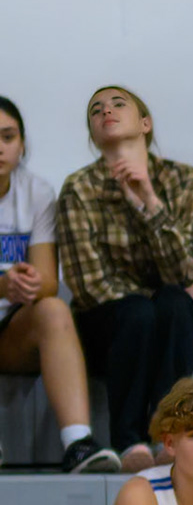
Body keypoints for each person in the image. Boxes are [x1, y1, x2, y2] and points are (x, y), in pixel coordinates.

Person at [57, 85, 193, 472]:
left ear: (145, 123)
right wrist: (153, 298)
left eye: (118, 104)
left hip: (171, 318)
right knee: (145, 310)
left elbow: (188, 271)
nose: (106, 111)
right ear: (93, 135)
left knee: (176, 305)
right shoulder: (79, 188)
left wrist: (150, 203)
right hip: (109, 324)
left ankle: (168, 432)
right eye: (96, 110)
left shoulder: (188, 181)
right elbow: (88, 284)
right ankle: (129, 442)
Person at [0, 96, 116, 472]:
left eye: (8, 137)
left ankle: (78, 443)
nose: (0, 147)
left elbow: (49, 281)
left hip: (11, 329)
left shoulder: (36, 192)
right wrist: (3, 286)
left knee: (53, 309)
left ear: (22, 145)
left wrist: (28, 285)